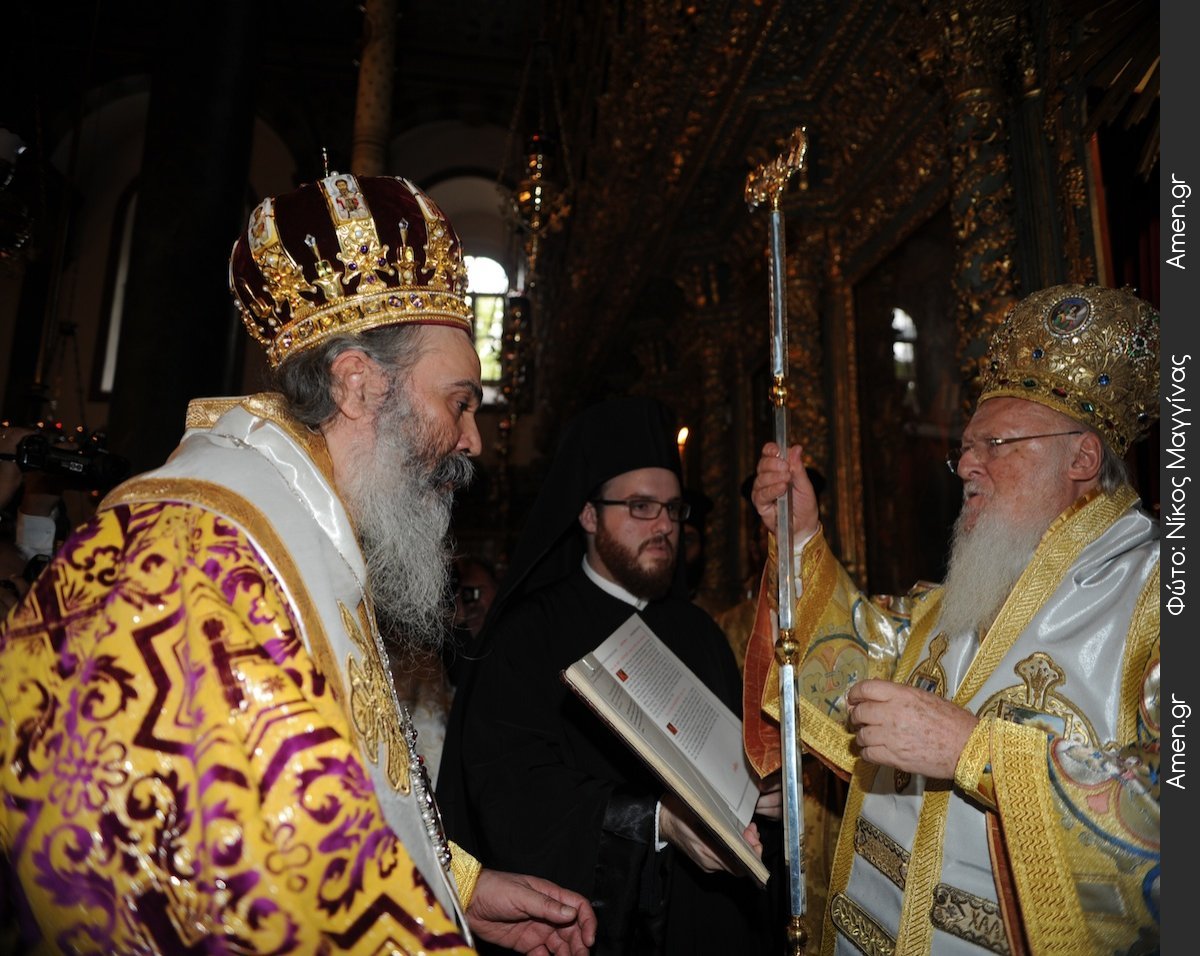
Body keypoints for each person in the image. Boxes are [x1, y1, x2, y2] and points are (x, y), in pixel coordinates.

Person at [0, 172, 595, 955]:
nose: (473, 441)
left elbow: (311, 797)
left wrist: (455, 885)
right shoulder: (202, 562)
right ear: (358, 385)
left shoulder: (304, 524)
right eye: (459, 401)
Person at [746, 283, 1160, 954]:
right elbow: (866, 667)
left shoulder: (1157, 593)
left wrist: (979, 754)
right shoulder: (978, 581)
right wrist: (798, 540)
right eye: (965, 448)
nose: (966, 463)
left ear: (1082, 458)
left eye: (994, 443)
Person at [438, 397, 781, 954]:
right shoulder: (528, 634)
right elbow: (509, 791)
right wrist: (653, 820)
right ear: (589, 515)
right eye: (641, 507)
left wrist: (761, 790)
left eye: (673, 509)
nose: (664, 525)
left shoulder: (700, 632)